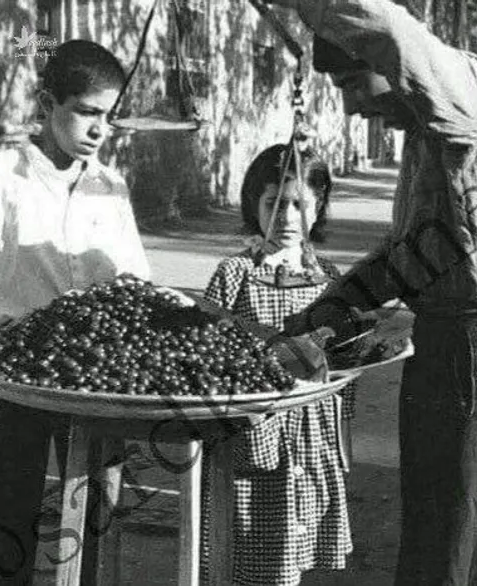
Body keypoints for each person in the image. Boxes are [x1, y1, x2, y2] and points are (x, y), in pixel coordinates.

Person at [264, 1, 477, 584]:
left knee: (452, 525)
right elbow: (408, 258)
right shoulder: (426, 139)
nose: (354, 106)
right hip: (441, 343)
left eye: (355, 83)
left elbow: (391, 30)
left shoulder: (458, 93)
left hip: (469, 347)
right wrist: (316, 318)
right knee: (433, 510)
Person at [0, 40, 150, 584]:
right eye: (88, 112)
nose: (101, 130)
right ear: (48, 102)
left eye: (111, 116)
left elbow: (132, 284)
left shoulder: (111, 187)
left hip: (97, 381)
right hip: (15, 380)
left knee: (95, 512)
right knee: (3, 517)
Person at [200, 143, 355, 586]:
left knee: (291, 546)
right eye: (274, 203)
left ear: (319, 206)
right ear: (255, 204)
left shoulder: (328, 277)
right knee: (240, 542)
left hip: (310, 435)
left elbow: (346, 359)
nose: (287, 217)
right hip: (250, 430)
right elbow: (205, 349)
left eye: (299, 204)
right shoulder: (235, 274)